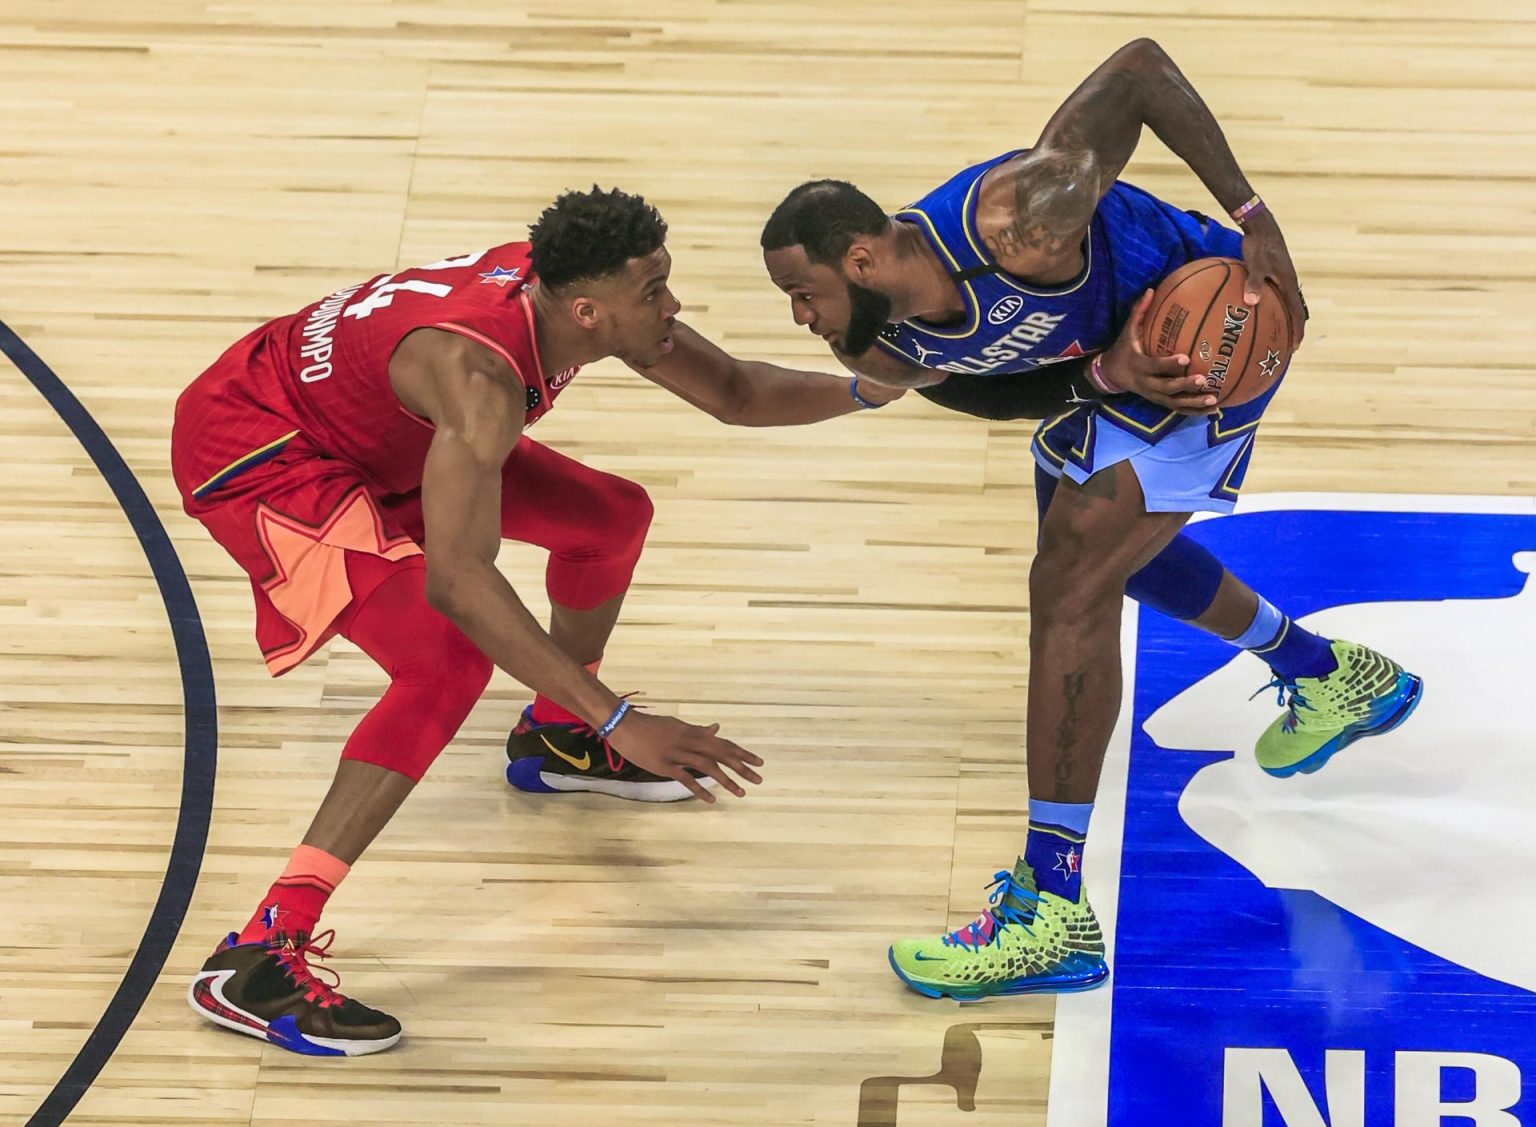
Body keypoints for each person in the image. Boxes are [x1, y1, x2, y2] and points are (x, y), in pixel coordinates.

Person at [759, 38, 1423, 1001]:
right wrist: (1095, 379)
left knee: (1068, 584)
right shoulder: (894, 345)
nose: (799, 316)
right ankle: (1331, 675)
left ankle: (1050, 908)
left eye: (803, 293)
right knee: (1114, 560)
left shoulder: (1020, 219)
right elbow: (975, 390)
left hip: (1211, 331)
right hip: (1118, 369)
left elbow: (1142, 69)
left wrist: (1255, 217)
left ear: (860, 258)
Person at [171, 186, 906, 1056]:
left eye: (665, 282)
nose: (672, 305)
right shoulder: (480, 378)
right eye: (654, 293)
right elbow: (459, 581)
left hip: (376, 430)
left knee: (610, 518)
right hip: (266, 454)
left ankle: (555, 738)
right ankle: (259, 949)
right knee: (445, 663)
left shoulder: (560, 293)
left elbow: (737, 392)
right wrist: (622, 719)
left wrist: (877, 386)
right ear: (589, 312)